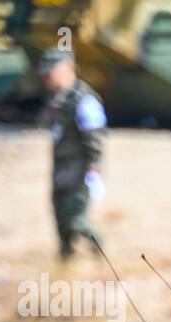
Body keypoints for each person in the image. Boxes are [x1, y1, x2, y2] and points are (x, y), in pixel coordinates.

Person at [37, 50, 106, 259]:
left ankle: (102, 257)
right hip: (61, 170)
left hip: (79, 171)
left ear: (67, 68)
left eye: (51, 72)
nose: (47, 78)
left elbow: (94, 135)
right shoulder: (59, 99)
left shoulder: (84, 99)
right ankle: (66, 267)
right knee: (62, 227)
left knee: (78, 221)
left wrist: (94, 166)